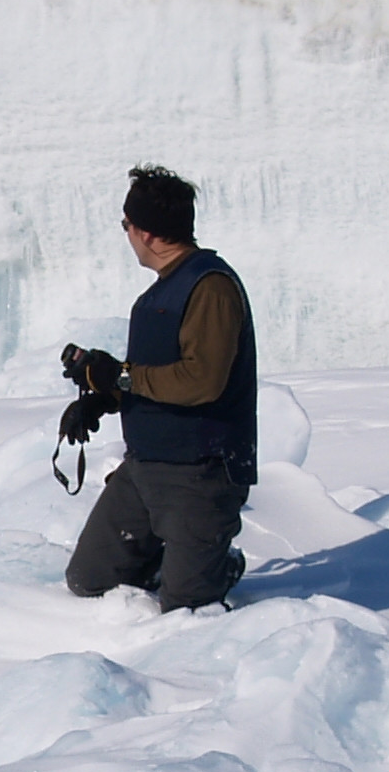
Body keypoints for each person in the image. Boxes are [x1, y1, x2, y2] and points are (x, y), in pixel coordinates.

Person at [59, 165, 255, 611]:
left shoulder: (210, 287)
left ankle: (215, 565)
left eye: (126, 225)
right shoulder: (159, 296)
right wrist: (103, 400)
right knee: (87, 580)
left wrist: (121, 378)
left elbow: (202, 380)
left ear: (145, 233)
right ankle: (182, 559)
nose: (127, 234)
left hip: (200, 471)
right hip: (147, 466)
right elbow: (154, 376)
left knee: (187, 607)